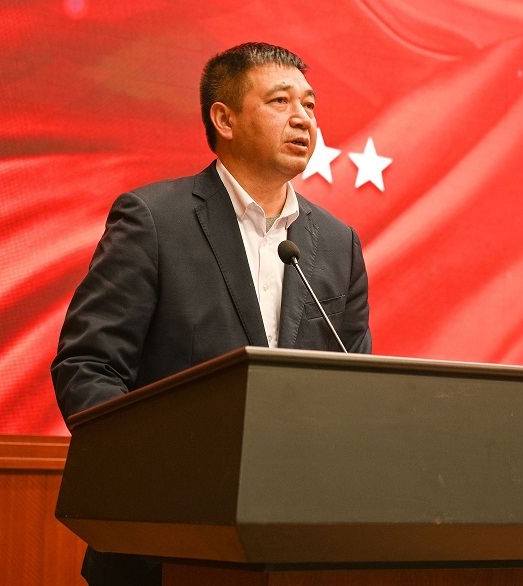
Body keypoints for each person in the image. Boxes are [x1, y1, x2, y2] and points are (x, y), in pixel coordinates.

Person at [51, 42, 373, 585]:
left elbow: (357, 388)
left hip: (299, 546)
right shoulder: (154, 220)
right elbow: (88, 366)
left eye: (310, 104)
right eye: (280, 101)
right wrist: (156, 476)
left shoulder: (338, 244)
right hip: (162, 544)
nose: (303, 118)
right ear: (224, 119)